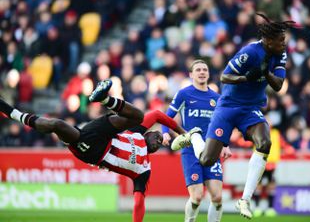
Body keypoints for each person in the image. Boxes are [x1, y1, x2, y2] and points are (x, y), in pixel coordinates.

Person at [0, 79, 186, 222]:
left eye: (160, 143)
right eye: (158, 137)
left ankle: (13, 113)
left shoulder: (144, 170)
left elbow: (139, 202)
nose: (159, 142)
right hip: (103, 133)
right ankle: (103, 98)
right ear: (149, 133)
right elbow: (158, 115)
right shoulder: (138, 132)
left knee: (57, 124)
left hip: (95, 153)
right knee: (138, 116)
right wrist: (182, 133)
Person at [172, 13, 298, 219]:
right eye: (280, 40)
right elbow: (224, 77)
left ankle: (245, 199)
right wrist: (246, 77)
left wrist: (265, 73)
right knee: (206, 160)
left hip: (250, 108)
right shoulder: (250, 52)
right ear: (268, 40)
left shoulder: (280, 54)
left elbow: (278, 85)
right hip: (228, 107)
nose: (284, 44)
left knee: (265, 143)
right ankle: (193, 137)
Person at [162, 59, 232, 222]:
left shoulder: (216, 98)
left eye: (205, 70)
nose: (202, 72)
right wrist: (165, 133)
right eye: (198, 70)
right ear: (191, 74)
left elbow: (224, 124)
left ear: (208, 74)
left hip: (211, 150)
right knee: (197, 196)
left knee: (217, 197)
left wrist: (225, 144)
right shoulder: (184, 94)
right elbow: (167, 117)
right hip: (190, 150)